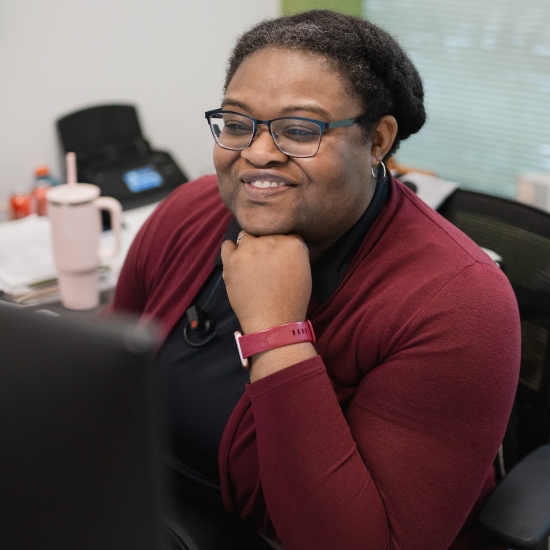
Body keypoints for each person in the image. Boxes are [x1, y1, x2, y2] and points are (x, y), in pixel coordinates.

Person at [110, 10, 521, 550]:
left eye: (300, 130)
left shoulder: (458, 303)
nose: (256, 153)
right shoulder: (189, 211)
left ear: (377, 141)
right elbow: (105, 372)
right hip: (143, 510)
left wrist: (276, 333)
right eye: (236, 124)